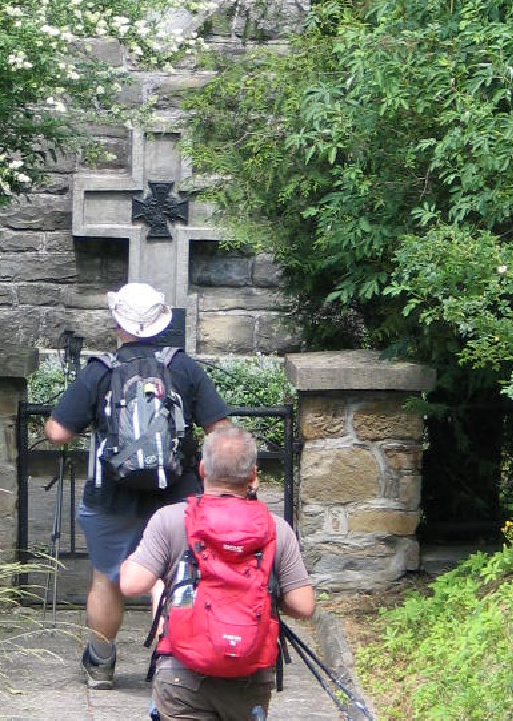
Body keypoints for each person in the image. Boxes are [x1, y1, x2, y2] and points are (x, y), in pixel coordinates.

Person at [44, 282, 232, 690]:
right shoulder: (184, 368)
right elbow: (221, 430)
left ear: (119, 324)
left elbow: (58, 432)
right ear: (161, 323)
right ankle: (175, 665)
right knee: (174, 577)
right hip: (178, 495)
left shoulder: (101, 371)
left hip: (111, 496)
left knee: (107, 579)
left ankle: (100, 664)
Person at [119, 423, 316, 721]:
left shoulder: (171, 519)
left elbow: (131, 584)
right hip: (249, 676)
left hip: (181, 673)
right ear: (253, 475)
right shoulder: (276, 529)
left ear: (202, 470)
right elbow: (304, 605)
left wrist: (153, 581)